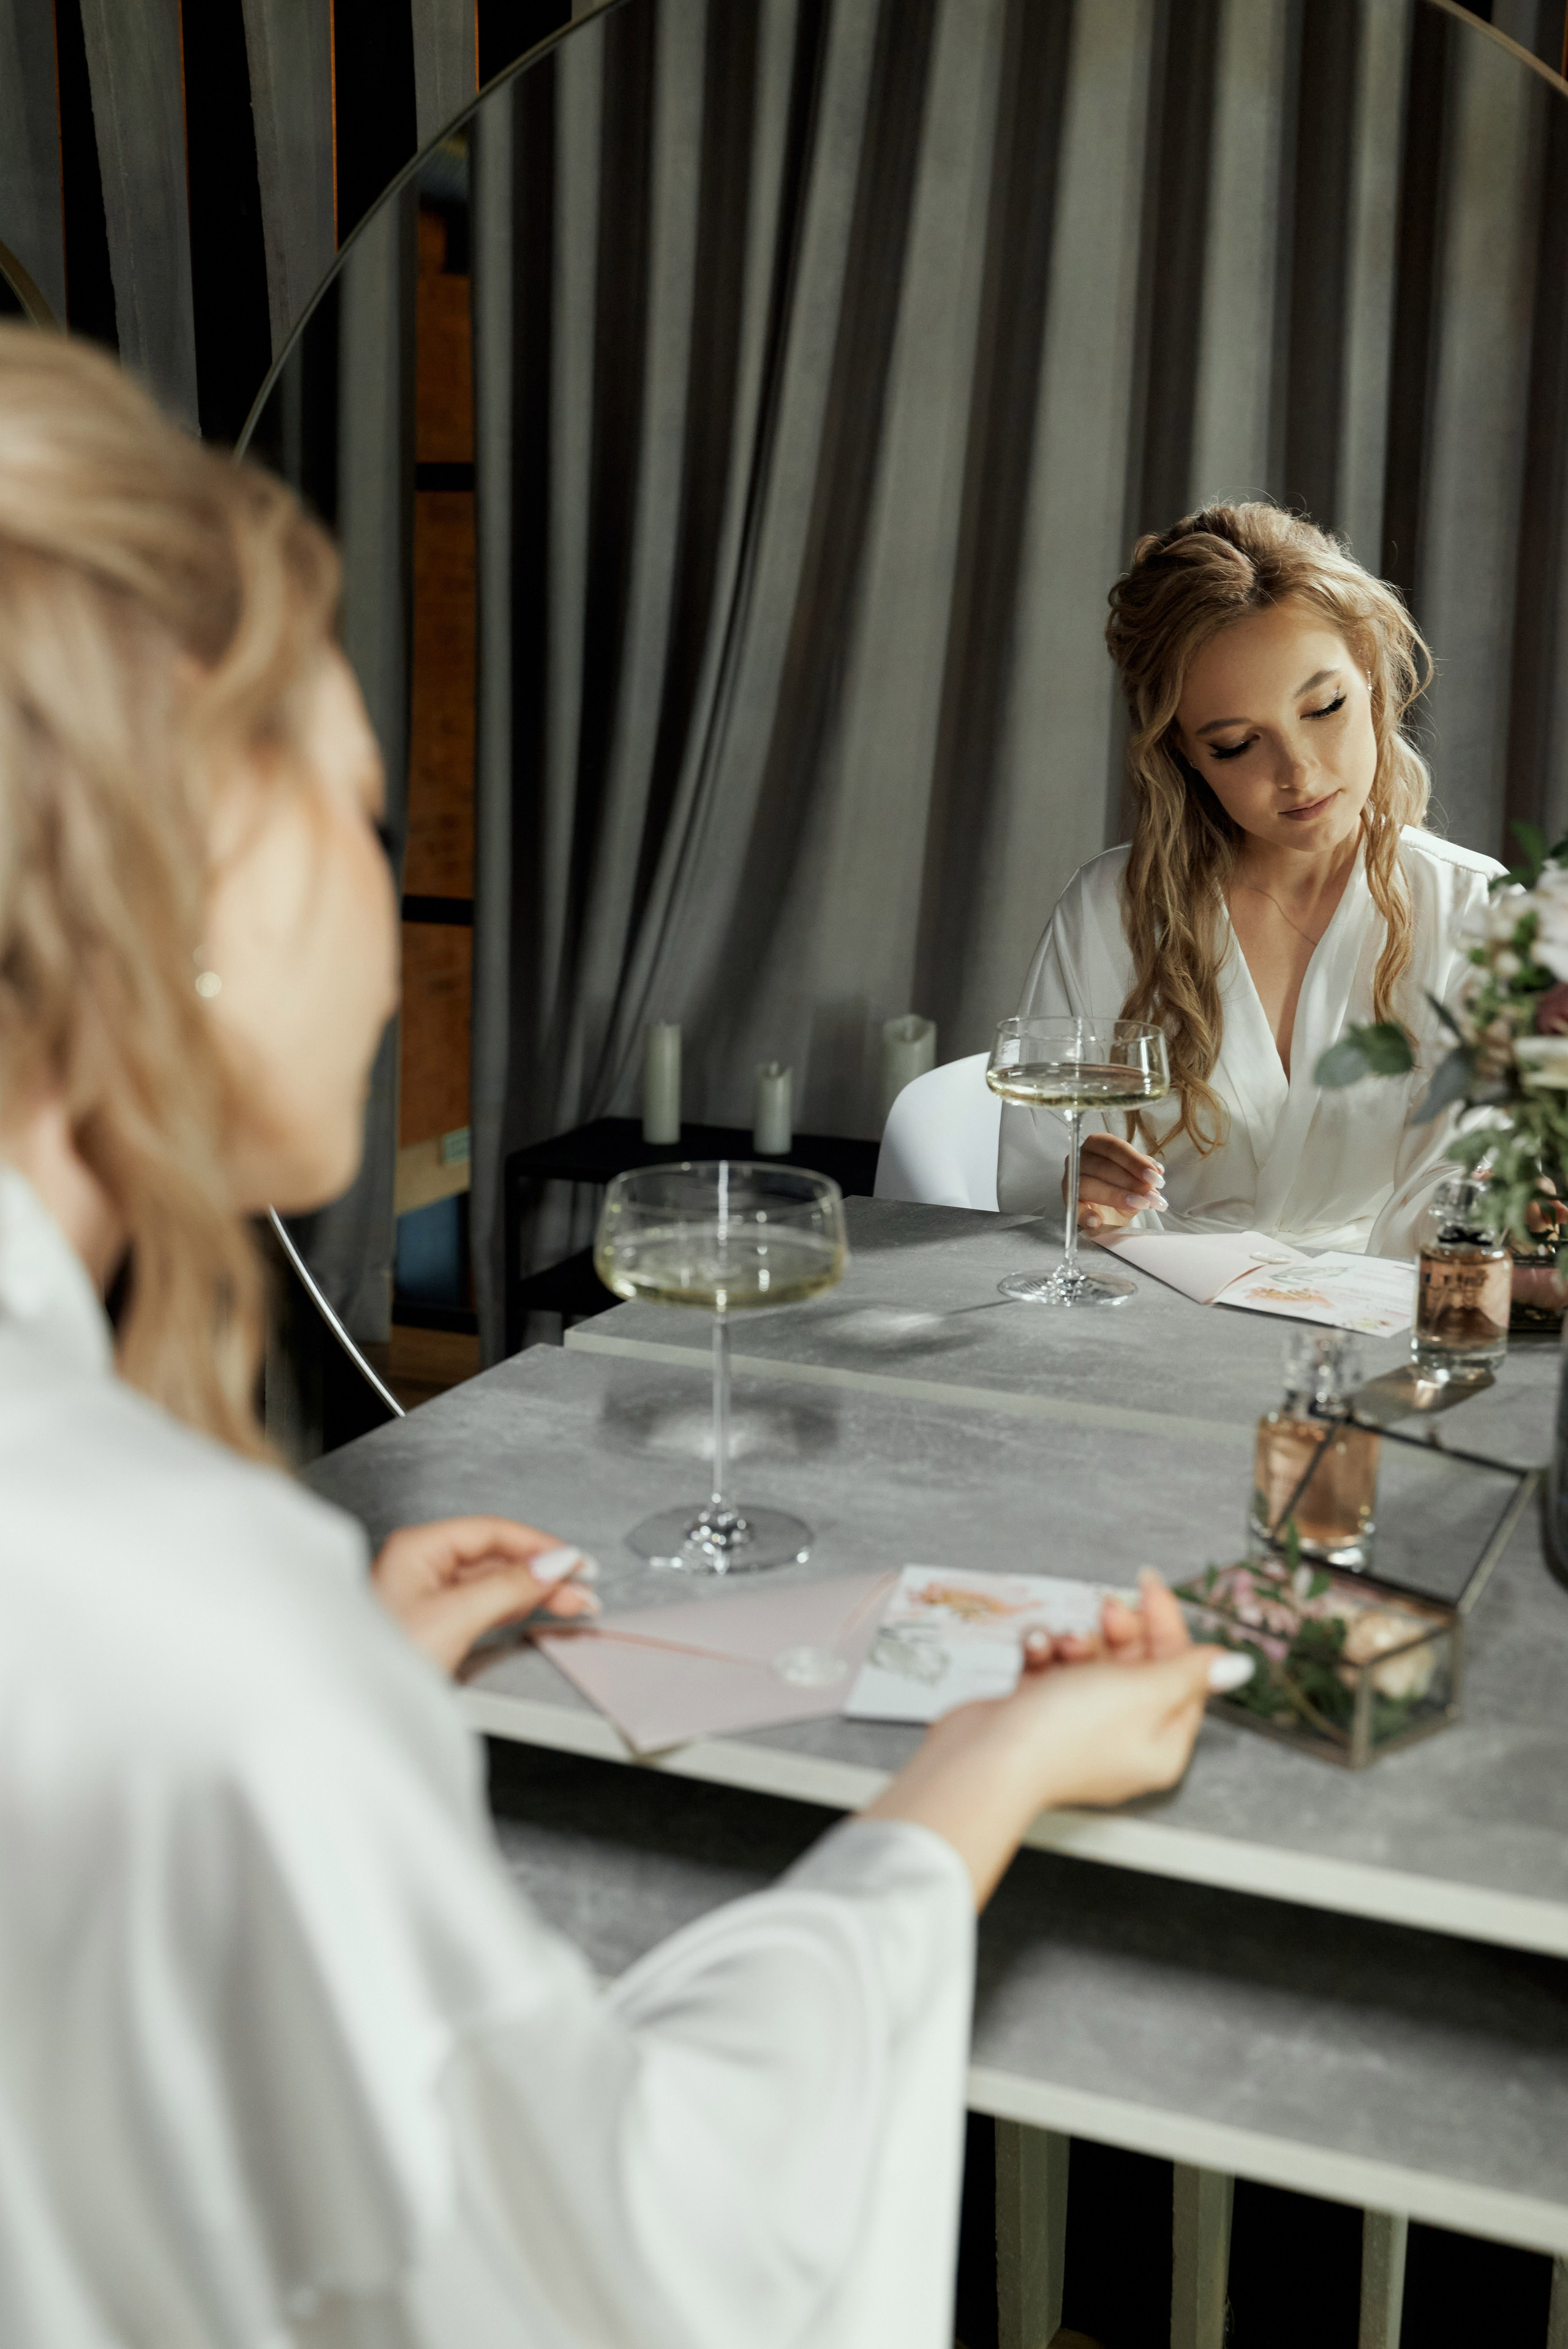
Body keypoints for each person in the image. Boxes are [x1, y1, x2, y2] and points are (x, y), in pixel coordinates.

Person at [0, 330, 1234, 2348]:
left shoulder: (178, 1618)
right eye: (368, 816)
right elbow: (646, 2262)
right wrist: (978, 1778)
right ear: (187, 872)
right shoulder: (183, 1619)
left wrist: (341, 1692)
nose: (390, 915)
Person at [997, 503, 1500, 1258]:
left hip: (1380, 1324)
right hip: (1158, 1310)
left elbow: (1465, 1195)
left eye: (1324, 707)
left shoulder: (1473, 909)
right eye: (1236, 745)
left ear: (1370, 673)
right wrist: (1082, 1192)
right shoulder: (1111, 911)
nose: (1298, 773)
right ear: (1183, 756)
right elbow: (1039, 1180)